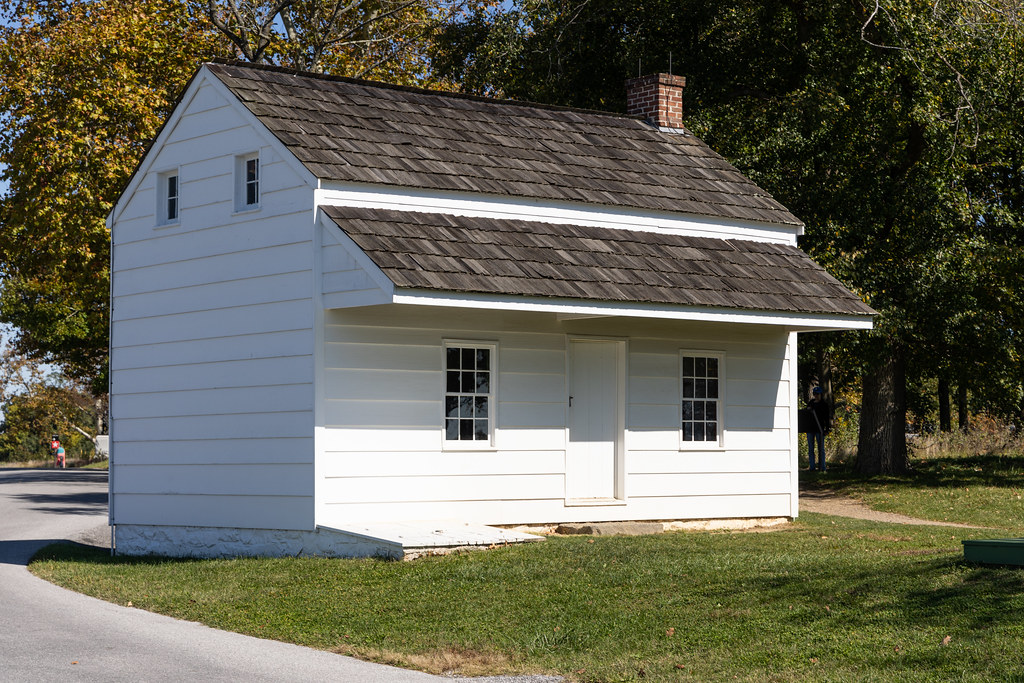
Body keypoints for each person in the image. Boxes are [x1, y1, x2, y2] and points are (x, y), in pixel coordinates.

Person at [807, 387, 830, 471]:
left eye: (818, 394)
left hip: (819, 429)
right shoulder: (810, 403)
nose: (816, 396)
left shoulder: (824, 404)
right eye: (815, 394)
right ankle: (812, 467)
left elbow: (826, 418)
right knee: (810, 449)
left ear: (821, 394)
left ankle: (822, 467)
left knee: (821, 449)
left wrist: (827, 429)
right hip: (810, 429)